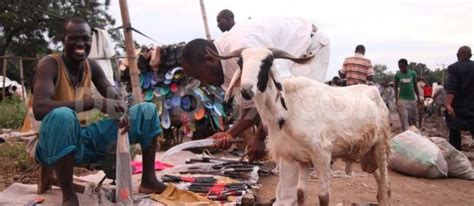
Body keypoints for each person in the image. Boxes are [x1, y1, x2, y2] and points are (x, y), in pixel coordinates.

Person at [32, 18, 166, 205]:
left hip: (82, 137)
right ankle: (69, 196)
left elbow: (116, 98)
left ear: (91, 42)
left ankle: (149, 180)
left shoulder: (91, 66)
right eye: (74, 38)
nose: (80, 43)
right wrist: (92, 102)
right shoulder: (49, 64)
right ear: (64, 40)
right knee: (63, 116)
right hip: (49, 141)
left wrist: (123, 112)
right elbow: (39, 109)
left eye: (85, 39)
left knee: (147, 111)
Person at [181, 17, 330, 161]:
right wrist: (229, 134)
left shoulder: (245, 46)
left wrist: (259, 138)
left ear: (210, 60)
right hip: (293, 57)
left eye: (200, 76)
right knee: (287, 127)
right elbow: (252, 108)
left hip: (309, 48)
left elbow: (279, 96)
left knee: (296, 109)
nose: (203, 83)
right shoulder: (225, 69)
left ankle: (319, 154)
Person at [444, 46, 474, 150]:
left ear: (457, 55)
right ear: (470, 56)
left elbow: (452, 88)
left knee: (454, 131)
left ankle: (456, 156)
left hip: (458, 108)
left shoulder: (454, 68)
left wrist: (448, 104)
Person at [394, 58, 421, 131]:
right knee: (404, 119)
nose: (401, 68)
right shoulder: (397, 75)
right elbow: (395, 87)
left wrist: (418, 98)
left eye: (402, 66)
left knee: (413, 119)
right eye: (399, 67)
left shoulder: (413, 73)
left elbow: (415, 86)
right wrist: (396, 100)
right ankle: (406, 134)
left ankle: (414, 135)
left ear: (407, 66)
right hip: (402, 100)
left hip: (412, 99)